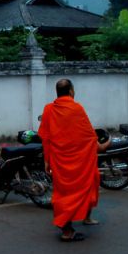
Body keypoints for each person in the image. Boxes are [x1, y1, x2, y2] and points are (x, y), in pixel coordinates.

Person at [39, 79, 111, 242]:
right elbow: (89, 137)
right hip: (78, 161)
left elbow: (45, 137)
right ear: (71, 91)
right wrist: (105, 145)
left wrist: (47, 160)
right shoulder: (76, 108)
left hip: (59, 160)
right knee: (76, 191)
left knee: (68, 191)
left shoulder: (49, 109)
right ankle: (66, 230)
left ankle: (83, 218)